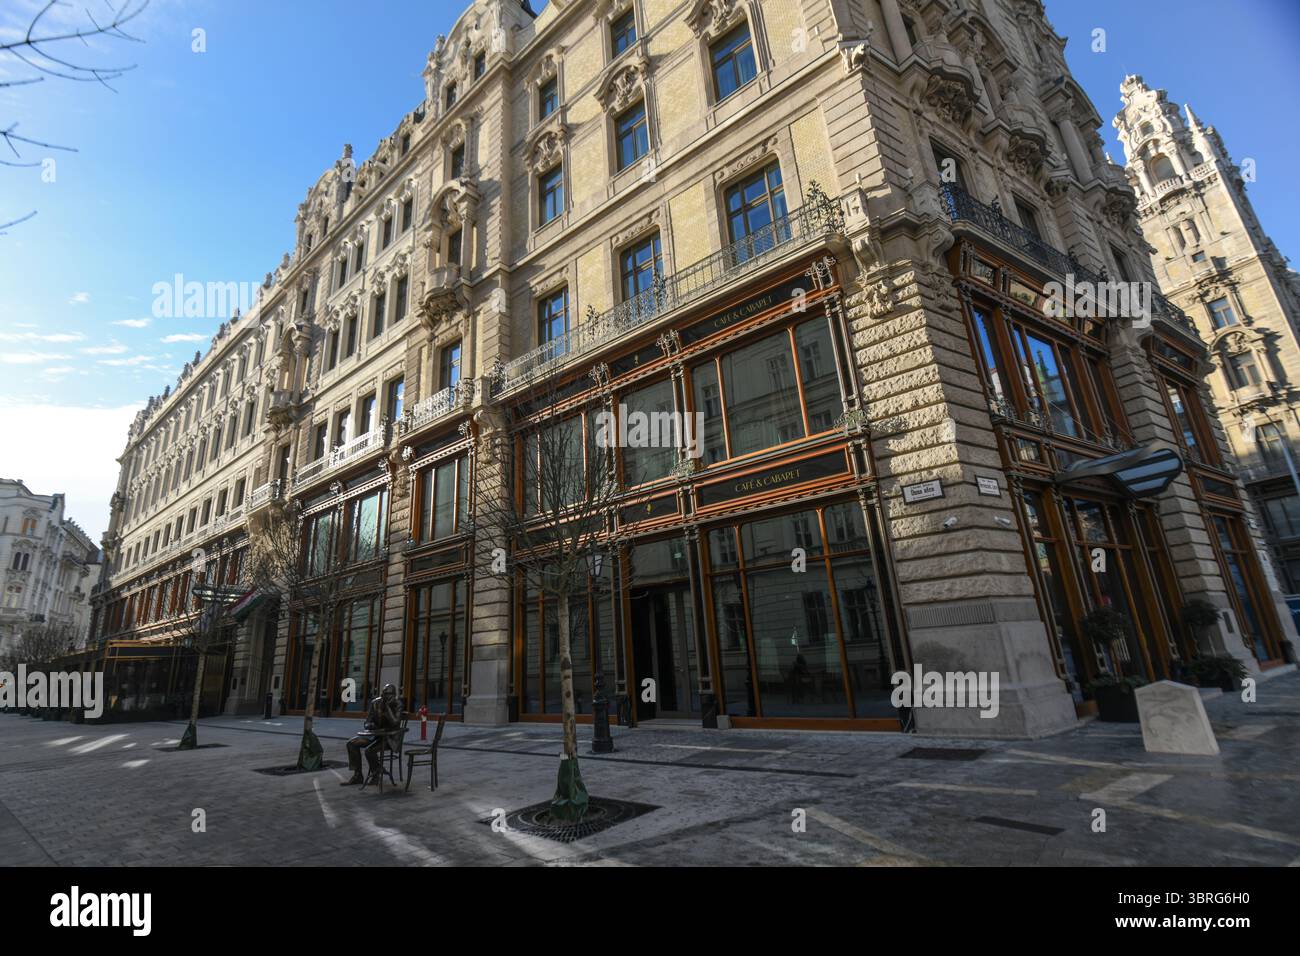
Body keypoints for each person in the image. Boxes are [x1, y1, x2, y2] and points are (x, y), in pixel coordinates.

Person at [341, 684, 402, 786]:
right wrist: (371, 725)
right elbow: (367, 722)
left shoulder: (398, 704)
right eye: (384, 694)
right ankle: (358, 775)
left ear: (394, 695)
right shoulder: (375, 703)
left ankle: (376, 775)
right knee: (351, 743)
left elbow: (395, 722)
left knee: (369, 751)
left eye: (390, 695)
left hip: (389, 739)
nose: (386, 697)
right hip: (374, 735)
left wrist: (387, 708)